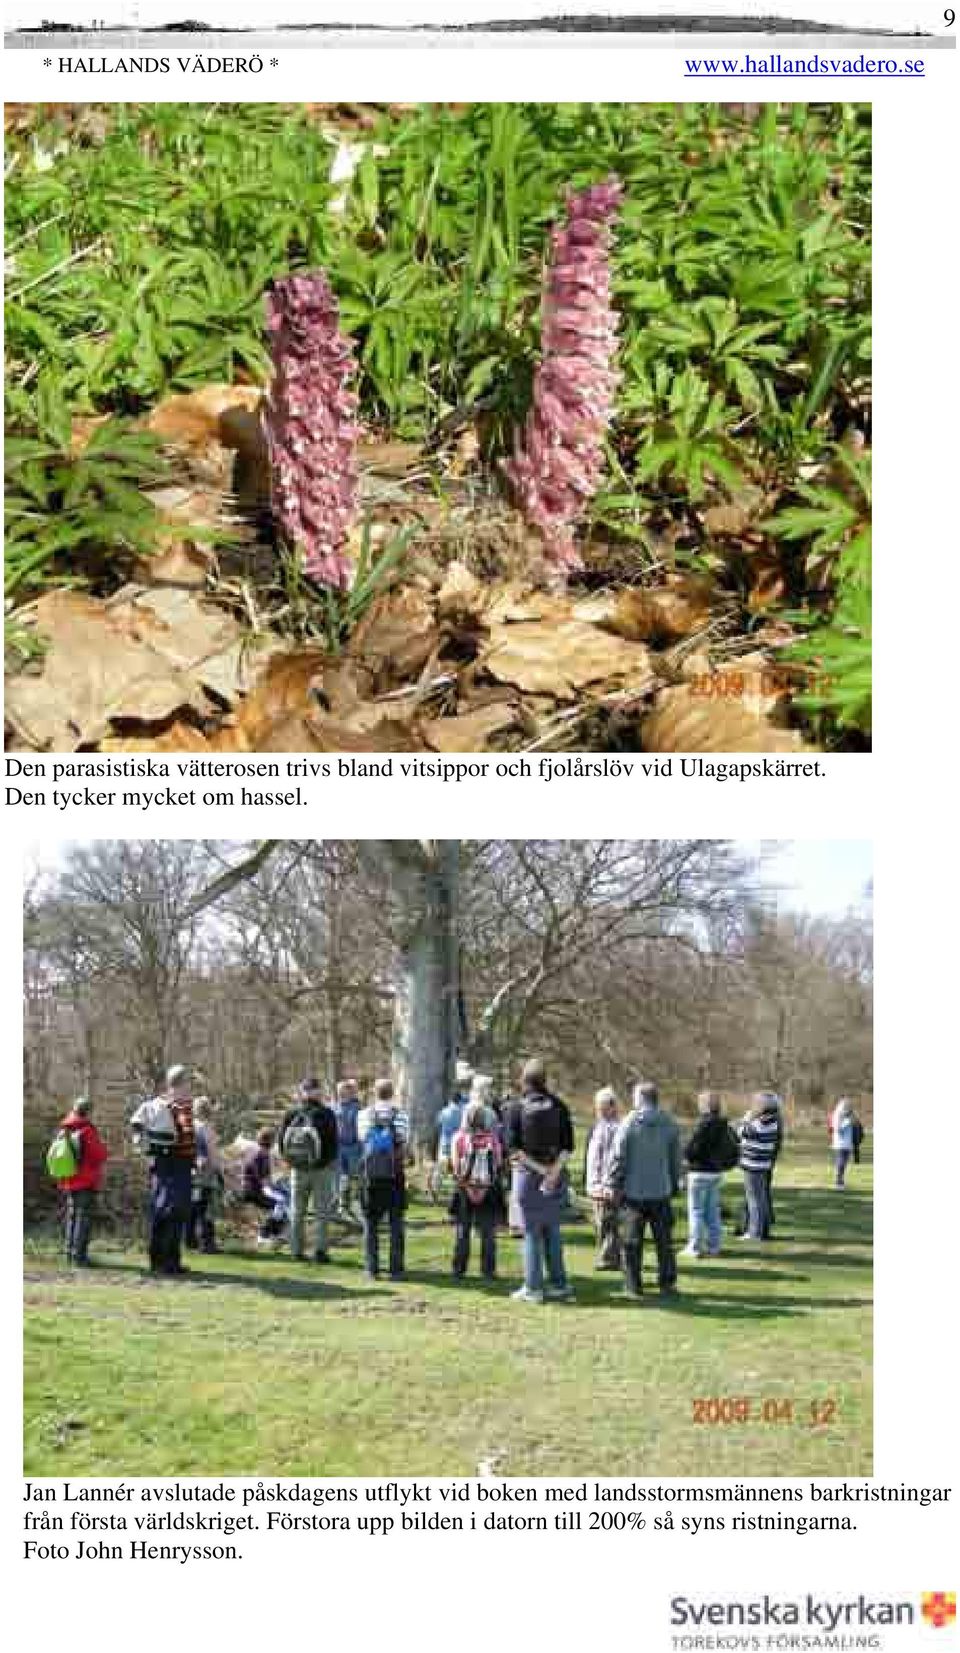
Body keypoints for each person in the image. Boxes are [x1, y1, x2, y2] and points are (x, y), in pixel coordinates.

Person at [504, 1058, 575, 1304]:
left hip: (528, 1176)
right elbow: (568, 1147)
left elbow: (514, 1149)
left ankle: (533, 1288)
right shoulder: (560, 1106)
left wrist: (541, 1170)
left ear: (524, 1080)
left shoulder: (515, 1108)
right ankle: (559, 1284)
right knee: (553, 1230)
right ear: (545, 1080)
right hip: (556, 1174)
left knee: (531, 1232)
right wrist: (553, 1171)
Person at [604, 1081, 681, 1299]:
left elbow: (618, 1157)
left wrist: (612, 1183)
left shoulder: (629, 1123)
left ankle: (632, 1285)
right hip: (661, 1190)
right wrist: (674, 1184)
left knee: (631, 1241)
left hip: (633, 1192)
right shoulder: (670, 1122)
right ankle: (667, 1284)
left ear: (639, 1099)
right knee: (664, 1242)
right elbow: (675, 1159)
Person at [131, 1065, 196, 1277]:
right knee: (169, 1210)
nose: (191, 1089)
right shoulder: (161, 1106)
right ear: (179, 1084)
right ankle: (163, 1261)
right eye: (188, 1084)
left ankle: (167, 1260)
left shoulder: (179, 1106)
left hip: (178, 1164)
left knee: (172, 1211)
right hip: (169, 1163)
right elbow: (139, 1127)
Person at [279, 1077, 339, 1263]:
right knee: (322, 1212)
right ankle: (320, 1251)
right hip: (321, 1170)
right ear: (319, 1091)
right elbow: (334, 1143)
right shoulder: (326, 1113)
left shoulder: (291, 1113)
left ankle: (296, 1250)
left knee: (297, 1211)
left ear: (302, 1091)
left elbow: (281, 1142)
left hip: (298, 1169)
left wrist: (290, 1161)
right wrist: (327, 1162)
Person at [358, 1079, 409, 1280]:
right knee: (396, 1222)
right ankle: (396, 1269)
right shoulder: (402, 1116)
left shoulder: (364, 1115)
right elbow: (404, 1141)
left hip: (371, 1175)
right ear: (393, 1092)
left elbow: (362, 1139)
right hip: (394, 1174)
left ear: (374, 1092)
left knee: (370, 1223)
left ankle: (372, 1268)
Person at [449, 1097, 503, 1280]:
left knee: (462, 1231)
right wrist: (484, 1188)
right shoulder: (493, 1139)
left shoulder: (459, 1138)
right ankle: (488, 1270)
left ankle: (459, 1269)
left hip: (465, 1189)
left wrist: (468, 1188)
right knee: (488, 1232)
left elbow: (456, 1168)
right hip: (488, 1190)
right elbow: (497, 1164)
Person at [54, 1097, 109, 1268]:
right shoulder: (86, 1129)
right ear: (88, 1112)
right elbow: (99, 1155)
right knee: (83, 1218)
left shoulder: (64, 1128)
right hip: (85, 1180)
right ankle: (79, 1257)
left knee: (72, 1217)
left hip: (69, 1178)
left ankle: (70, 1253)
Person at [683, 1090, 738, 1258]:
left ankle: (695, 1247)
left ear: (705, 1106)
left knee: (696, 1210)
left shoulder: (704, 1124)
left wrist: (685, 1154)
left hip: (699, 1172)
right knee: (712, 1211)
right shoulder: (724, 1124)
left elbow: (693, 1149)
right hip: (715, 1172)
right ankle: (714, 1247)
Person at [736, 1091, 783, 1241]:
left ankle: (754, 1232)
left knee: (753, 1200)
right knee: (761, 1199)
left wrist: (746, 1119)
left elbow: (741, 1132)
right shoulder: (774, 1122)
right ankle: (761, 1230)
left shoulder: (758, 1124)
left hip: (752, 1166)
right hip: (763, 1166)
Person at [585, 1086, 621, 1269]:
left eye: (602, 1106)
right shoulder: (600, 1127)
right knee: (603, 1221)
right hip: (598, 1183)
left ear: (612, 1106)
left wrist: (603, 1184)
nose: (598, 1110)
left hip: (606, 1183)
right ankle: (610, 1256)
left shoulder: (614, 1128)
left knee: (607, 1221)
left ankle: (609, 1258)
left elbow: (608, 1159)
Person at [429, 1062, 471, 1202]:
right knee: (459, 1171)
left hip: (445, 1146)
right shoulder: (465, 1111)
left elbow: (438, 1127)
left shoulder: (444, 1112)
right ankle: (459, 1194)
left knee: (440, 1172)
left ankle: (434, 1191)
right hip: (461, 1147)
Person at [187, 1096, 222, 1254]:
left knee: (194, 1207)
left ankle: (190, 1240)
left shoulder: (190, 1126)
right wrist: (219, 1169)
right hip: (205, 1174)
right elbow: (213, 1154)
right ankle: (207, 1243)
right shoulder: (207, 1128)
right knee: (206, 1209)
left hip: (191, 1173)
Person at [241, 1128, 287, 1245]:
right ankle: (264, 1234)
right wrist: (277, 1186)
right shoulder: (262, 1155)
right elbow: (264, 1181)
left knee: (283, 1200)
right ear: (270, 1141)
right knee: (280, 1202)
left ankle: (276, 1234)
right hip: (253, 1190)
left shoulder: (258, 1152)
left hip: (252, 1188)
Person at [333, 1078, 363, 1224]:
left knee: (354, 1176)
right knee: (341, 1177)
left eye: (343, 1091)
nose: (341, 1094)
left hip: (353, 1147)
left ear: (349, 1092)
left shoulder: (357, 1108)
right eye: (339, 1091)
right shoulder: (334, 1107)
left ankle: (356, 1203)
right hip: (339, 1148)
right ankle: (341, 1205)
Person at [829, 1097, 857, 1188]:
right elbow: (837, 1129)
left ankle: (841, 1181)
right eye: (848, 1106)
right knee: (840, 1164)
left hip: (847, 1144)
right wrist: (848, 1122)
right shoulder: (837, 1115)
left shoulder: (848, 1115)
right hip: (840, 1144)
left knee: (844, 1164)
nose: (850, 1109)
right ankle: (838, 1182)